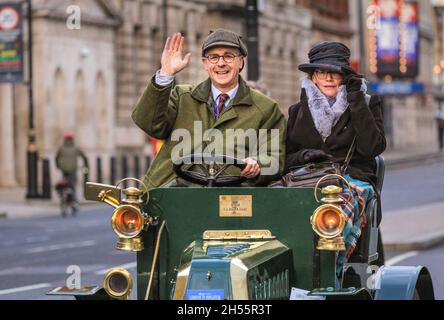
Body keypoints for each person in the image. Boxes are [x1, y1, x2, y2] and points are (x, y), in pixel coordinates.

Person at [132, 29, 286, 189]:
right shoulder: (182, 97)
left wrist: (256, 165)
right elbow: (148, 123)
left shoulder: (266, 108)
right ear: (205, 63)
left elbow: (274, 160)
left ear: (241, 62)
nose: (221, 63)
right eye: (213, 57)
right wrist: (165, 74)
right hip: (173, 192)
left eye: (228, 56)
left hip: (234, 198)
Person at [285, 41, 386, 280]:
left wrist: (356, 99)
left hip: (351, 180)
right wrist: (305, 155)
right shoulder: (297, 110)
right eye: (322, 71)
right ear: (313, 76)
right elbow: (285, 159)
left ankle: (331, 274)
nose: (329, 78)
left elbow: (373, 147)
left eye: (336, 72)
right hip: (306, 180)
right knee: (275, 202)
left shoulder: (368, 103)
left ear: (345, 75)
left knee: (334, 210)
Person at [55, 132, 89, 204]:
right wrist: (86, 165)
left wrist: (58, 165)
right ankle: (74, 200)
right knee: (73, 184)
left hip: (63, 169)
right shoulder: (76, 148)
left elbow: (57, 158)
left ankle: (63, 196)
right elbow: (84, 157)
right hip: (73, 169)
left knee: (64, 181)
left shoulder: (61, 148)